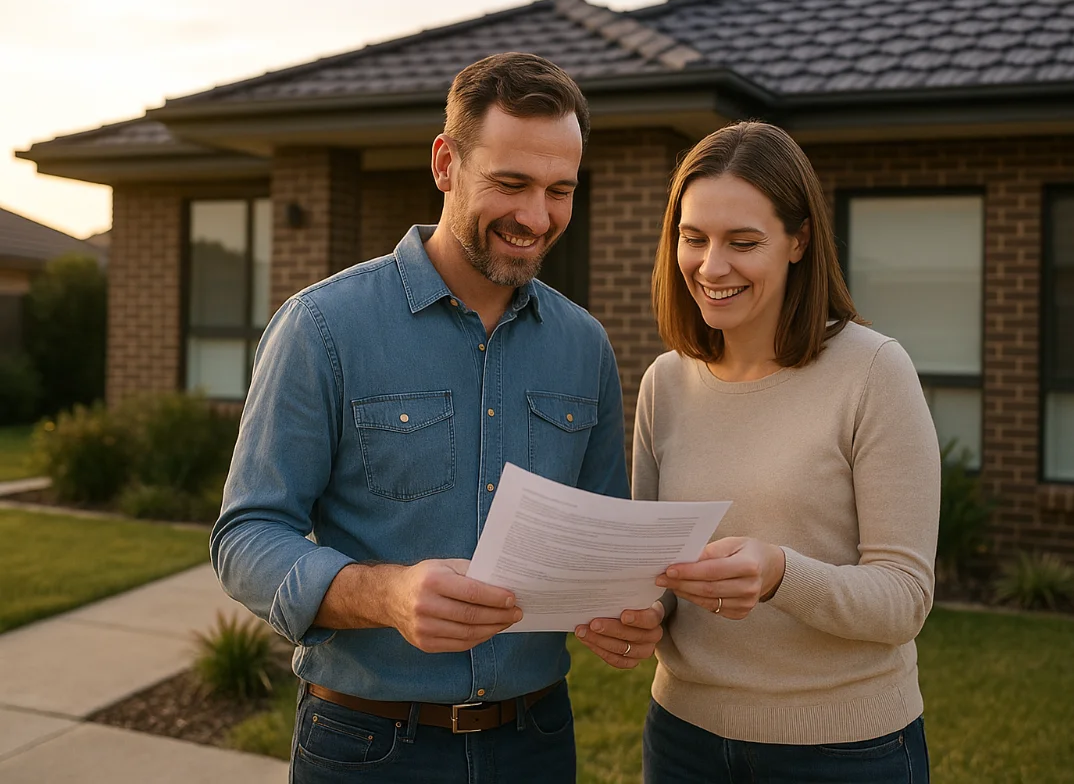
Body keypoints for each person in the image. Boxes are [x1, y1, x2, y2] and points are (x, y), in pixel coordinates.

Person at [211, 52, 664, 784]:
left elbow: (604, 540)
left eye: (560, 190)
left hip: (537, 740)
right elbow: (245, 538)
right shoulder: (322, 327)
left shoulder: (585, 346)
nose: (536, 217)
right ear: (446, 163)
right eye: (511, 184)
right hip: (365, 745)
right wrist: (385, 595)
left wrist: (632, 608)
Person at [633, 121, 939, 784]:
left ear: (799, 241)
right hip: (682, 741)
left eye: (743, 242)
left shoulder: (874, 371)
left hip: (845, 751)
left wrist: (780, 575)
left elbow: (905, 598)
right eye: (694, 238)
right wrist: (634, 615)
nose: (712, 266)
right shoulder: (665, 382)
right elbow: (655, 572)